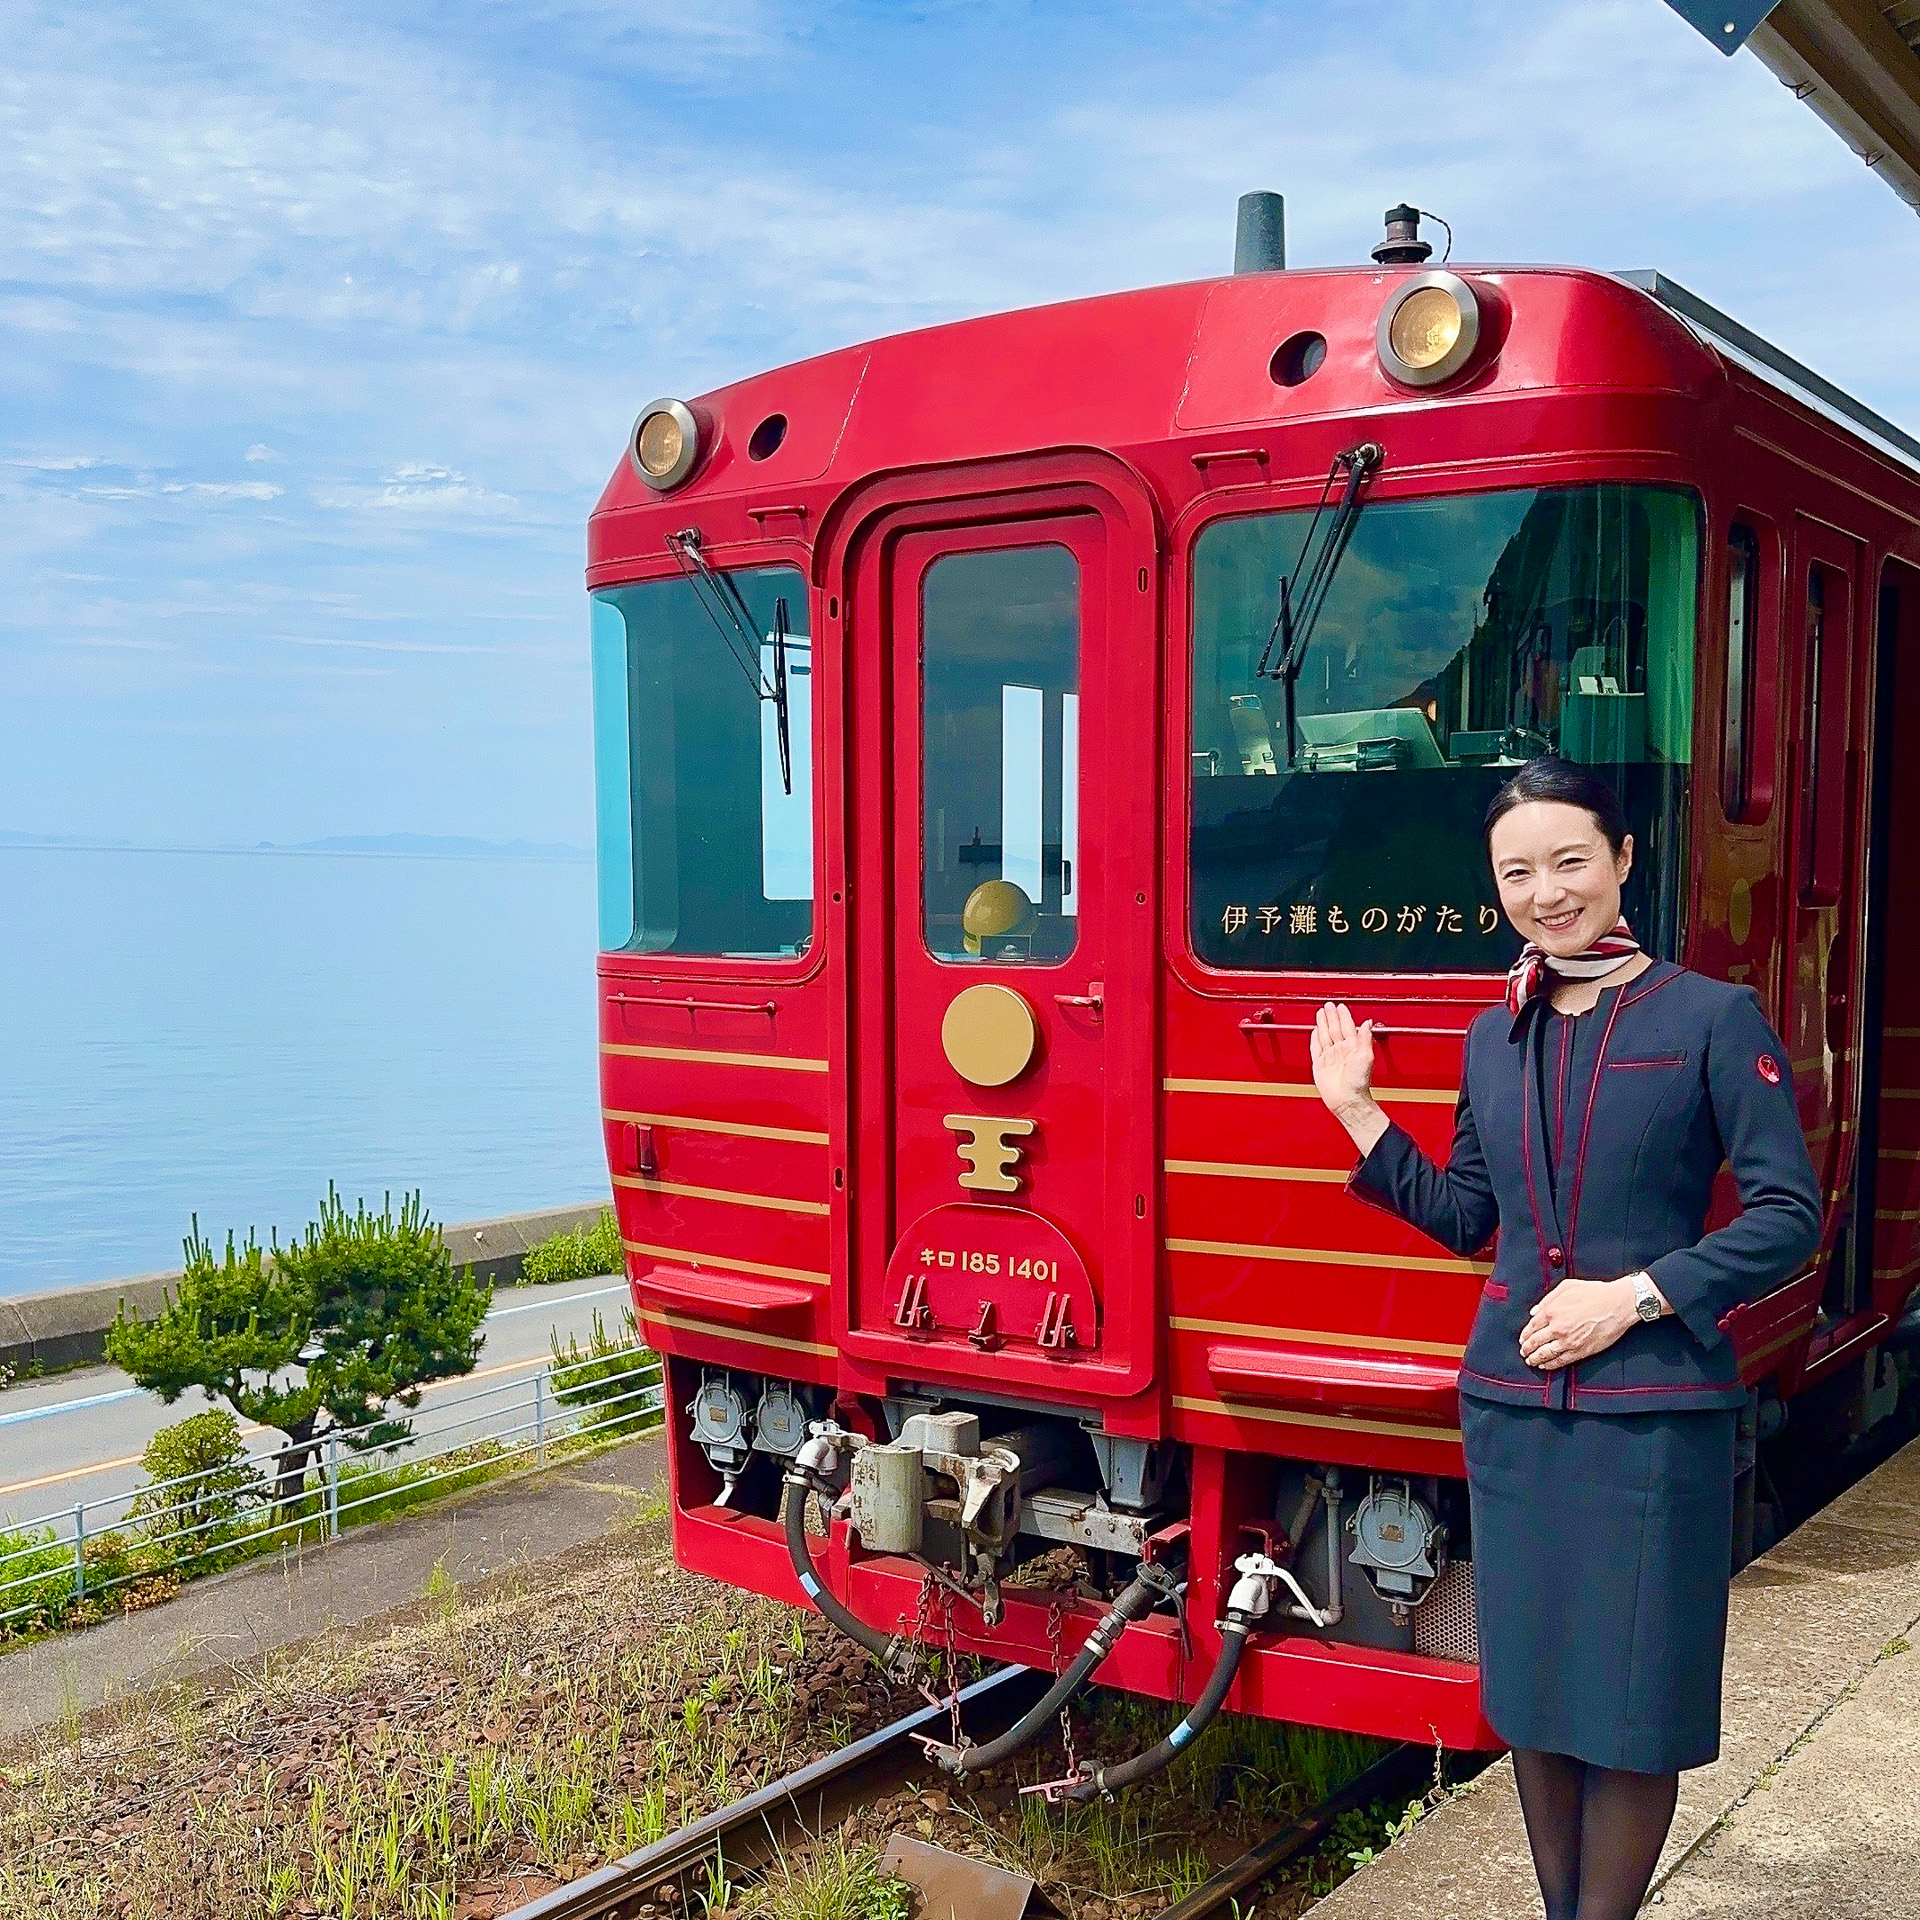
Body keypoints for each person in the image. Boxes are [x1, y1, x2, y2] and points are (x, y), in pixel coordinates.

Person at [1309, 757, 1821, 1920]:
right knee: (1534, 1696)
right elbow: (1469, 1218)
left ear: (1624, 859)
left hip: (1653, 1420)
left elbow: (1792, 1217)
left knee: (1635, 1704)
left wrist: (1635, 1294)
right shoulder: (1499, 1035)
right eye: (1518, 872)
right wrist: (1359, 1112)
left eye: (1569, 861)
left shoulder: (1707, 1016)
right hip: (1513, 1415)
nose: (1547, 890)